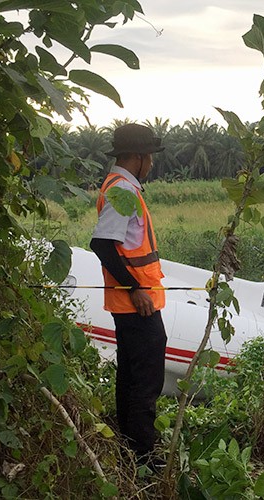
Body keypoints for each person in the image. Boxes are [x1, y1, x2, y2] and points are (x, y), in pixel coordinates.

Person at [89, 123, 167, 463]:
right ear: (138, 157)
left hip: (133, 302)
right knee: (145, 381)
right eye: (149, 157)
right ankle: (144, 455)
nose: (150, 164)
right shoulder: (124, 191)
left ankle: (129, 444)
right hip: (138, 304)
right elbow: (102, 244)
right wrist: (135, 289)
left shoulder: (120, 186)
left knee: (131, 375)